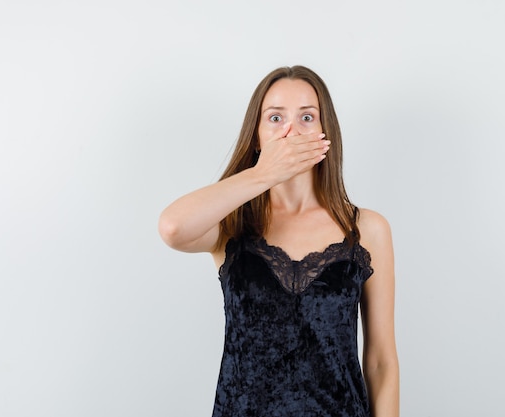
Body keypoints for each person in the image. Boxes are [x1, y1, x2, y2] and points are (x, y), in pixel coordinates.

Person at [158, 65, 399, 417]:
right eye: (274, 118)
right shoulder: (230, 225)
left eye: (306, 117)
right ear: (257, 136)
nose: (290, 131)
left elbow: (380, 362)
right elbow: (172, 228)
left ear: (324, 131)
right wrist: (263, 174)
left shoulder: (367, 228)